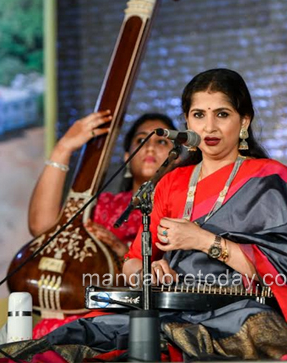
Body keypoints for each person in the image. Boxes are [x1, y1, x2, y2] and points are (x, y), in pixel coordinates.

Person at [0, 69, 287, 361]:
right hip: (169, 307)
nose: (209, 126)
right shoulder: (170, 182)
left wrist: (205, 241)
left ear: (244, 121)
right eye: (199, 115)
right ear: (187, 123)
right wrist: (148, 271)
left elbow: (285, 270)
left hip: (241, 310)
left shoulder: (268, 177)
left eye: (222, 114)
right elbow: (133, 263)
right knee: (63, 347)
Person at [29, 111, 177, 338]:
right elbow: (42, 227)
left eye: (161, 141)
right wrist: (63, 149)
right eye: (141, 140)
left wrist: (124, 253)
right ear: (128, 156)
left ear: (176, 157)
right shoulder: (102, 205)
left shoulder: (181, 210)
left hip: (141, 321)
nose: (149, 148)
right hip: (83, 312)